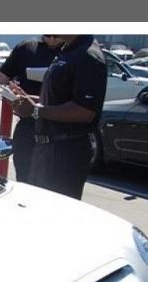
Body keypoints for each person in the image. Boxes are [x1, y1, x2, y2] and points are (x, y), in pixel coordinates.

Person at [10, 35, 107, 200]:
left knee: (54, 213)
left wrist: (36, 111)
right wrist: (31, 101)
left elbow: (85, 111)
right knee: (34, 205)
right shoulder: (68, 50)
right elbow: (59, 98)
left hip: (66, 151)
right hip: (46, 148)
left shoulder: (88, 55)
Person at [0, 35, 62, 182]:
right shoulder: (27, 48)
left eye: (57, 36)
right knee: (25, 179)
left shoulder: (72, 53)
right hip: (28, 127)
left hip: (61, 131)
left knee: (55, 187)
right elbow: (0, 76)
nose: (52, 40)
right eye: (48, 35)